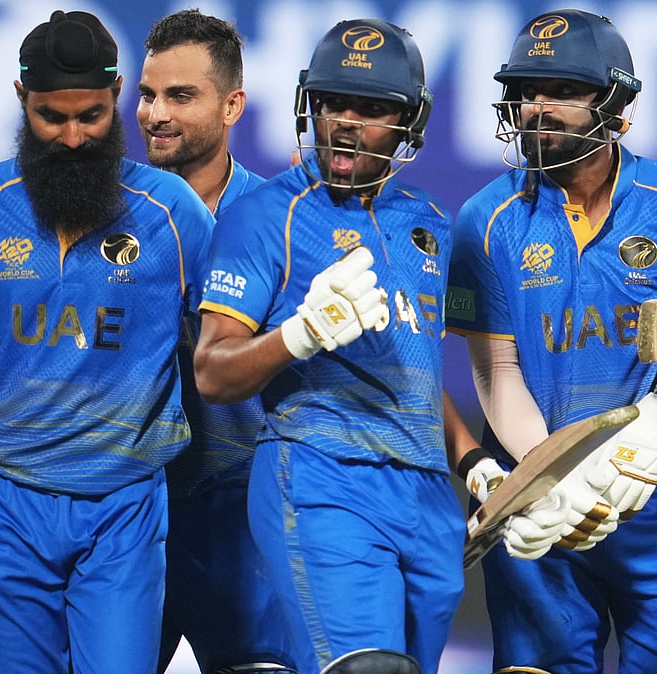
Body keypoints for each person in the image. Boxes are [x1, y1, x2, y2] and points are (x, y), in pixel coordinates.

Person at [0, 9, 215, 673]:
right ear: (19, 99)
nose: (70, 138)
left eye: (90, 116)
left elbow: (227, 355)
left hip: (125, 506)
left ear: (117, 95)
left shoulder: (175, 215)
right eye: (50, 117)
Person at [445, 8, 657, 673]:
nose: (535, 108)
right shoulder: (485, 220)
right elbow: (497, 372)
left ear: (615, 103)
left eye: (560, 92)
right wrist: (553, 473)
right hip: (543, 509)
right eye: (524, 91)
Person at [193, 18, 463, 674]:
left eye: (370, 109)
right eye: (331, 103)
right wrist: (300, 334)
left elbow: (415, 373)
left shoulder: (431, 223)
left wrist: (474, 459)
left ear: (410, 120)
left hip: (427, 494)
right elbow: (212, 372)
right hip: (320, 473)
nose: (344, 121)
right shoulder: (265, 216)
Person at [136, 9, 293, 674]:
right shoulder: (102, 216)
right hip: (129, 511)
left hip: (243, 518)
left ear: (233, 105)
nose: (154, 114)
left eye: (180, 96)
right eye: (146, 95)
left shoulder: (283, 220)